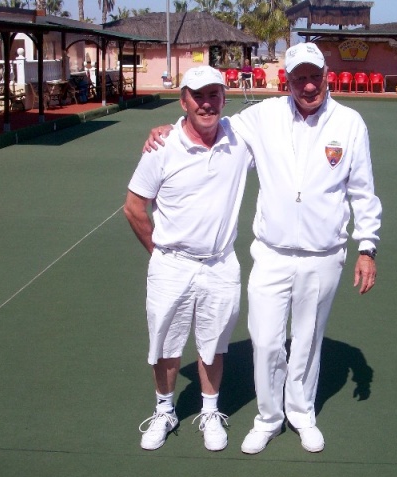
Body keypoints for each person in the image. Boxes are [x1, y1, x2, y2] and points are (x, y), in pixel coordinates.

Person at [144, 43, 382, 455]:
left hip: (324, 255)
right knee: (267, 341)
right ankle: (268, 418)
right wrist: (166, 127)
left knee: (307, 340)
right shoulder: (262, 116)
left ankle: (302, 414)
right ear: (285, 80)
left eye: (314, 76)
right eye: (298, 78)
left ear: (327, 74)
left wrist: (368, 247)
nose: (307, 85)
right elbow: (208, 120)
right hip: (271, 253)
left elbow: (362, 191)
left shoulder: (350, 123)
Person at [124, 65, 253, 452]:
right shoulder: (162, 146)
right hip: (171, 263)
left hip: (220, 263)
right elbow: (133, 207)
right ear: (183, 101)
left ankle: (209, 410)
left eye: (214, 94)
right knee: (165, 344)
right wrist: (160, 252)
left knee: (214, 345)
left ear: (224, 99)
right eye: (198, 95)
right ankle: (165, 409)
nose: (207, 103)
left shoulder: (240, 138)